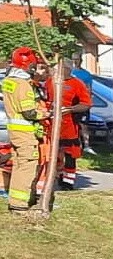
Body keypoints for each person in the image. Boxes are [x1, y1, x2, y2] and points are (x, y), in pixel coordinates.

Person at [3, 47, 50, 211]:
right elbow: (29, 112)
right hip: (24, 132)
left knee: (18, 165)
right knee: (28, 166)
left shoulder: (9, 81)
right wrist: (46, 113)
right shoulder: (23, 85)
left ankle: (15, 202)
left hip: (14, 131)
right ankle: (19, 204)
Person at [39, 59, 91, 192]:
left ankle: (67, 182)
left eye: (59, 70)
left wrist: (71, 109)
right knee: (51, 154)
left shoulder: (77, 84)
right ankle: (53, 177)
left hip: (69, 127)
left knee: (70, 154)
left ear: (67, 70)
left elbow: (86, 104)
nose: (56, 72)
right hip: (50, 125)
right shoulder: (50, 81)